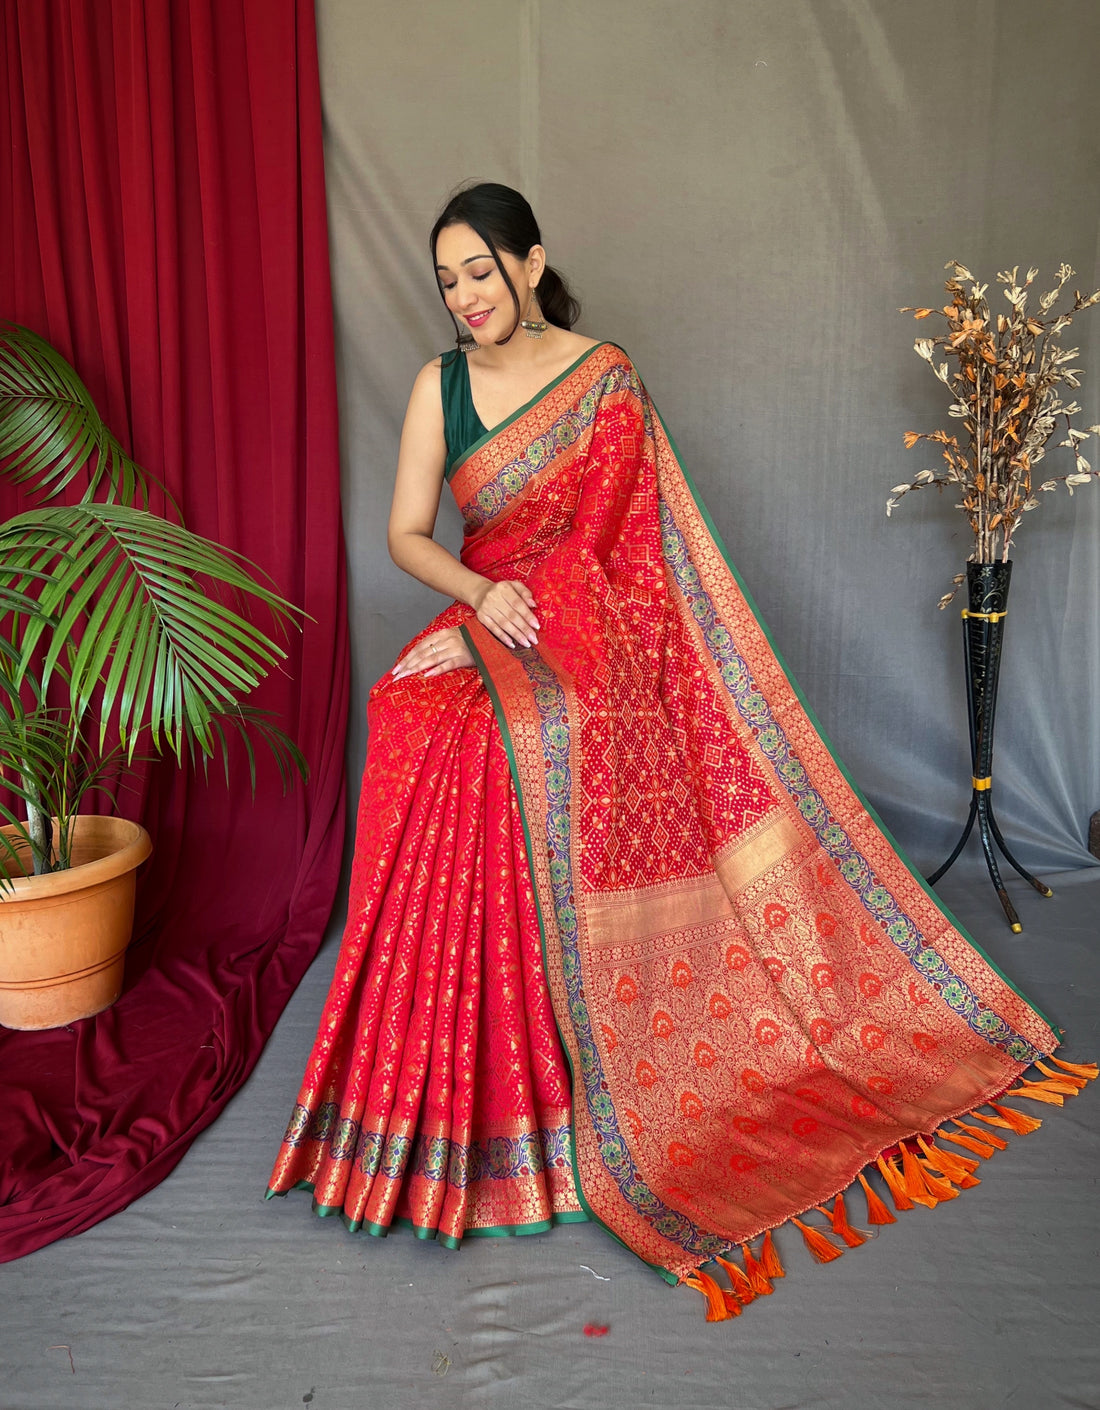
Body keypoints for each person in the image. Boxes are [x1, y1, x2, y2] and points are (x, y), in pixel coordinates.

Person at [267, 182, 1092, 1320]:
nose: (463, 297)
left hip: (593, 621)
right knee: (425, 728)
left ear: (530, 261)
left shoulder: (603, 379)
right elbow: (409, 533)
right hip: (489, 608)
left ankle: (575, 1080)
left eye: (479, 271)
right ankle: (445, 1078)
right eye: (446, 278)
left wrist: (539, 612)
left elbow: (624, 548)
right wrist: (480, 595)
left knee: (543, 733)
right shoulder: (438, 386)